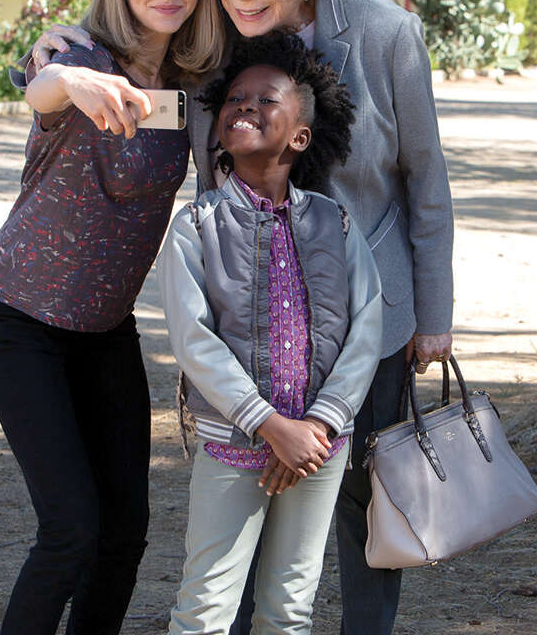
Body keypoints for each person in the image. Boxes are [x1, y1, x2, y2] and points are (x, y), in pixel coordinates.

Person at [28, 0, 455, 631]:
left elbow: (425, 182)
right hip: (254, 325)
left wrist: (435, 315)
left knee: (366, 503)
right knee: (255, 504)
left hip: (370, 320)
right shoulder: (207, 42)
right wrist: (55, 53)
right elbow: (126, 54)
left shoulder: (387, 35)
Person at [0, 0, 224, 635]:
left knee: (124, 535)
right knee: (70, 531)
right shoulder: (79, 56)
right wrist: (70, 82)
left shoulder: (198, 78)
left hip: (105, 330)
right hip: (18, 320)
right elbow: (40, 89)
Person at [158, 31, 382, 633]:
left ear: (300, 137)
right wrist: (269, 425)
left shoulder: (335, 222)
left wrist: (318, 424)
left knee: (289, 609)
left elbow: (366, 328)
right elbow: (194, 339)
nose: (245, 107)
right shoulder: (197, 225)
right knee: (205, 606)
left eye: (265, 100)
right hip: (234, 443)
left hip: (318, 447)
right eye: (235, 99)